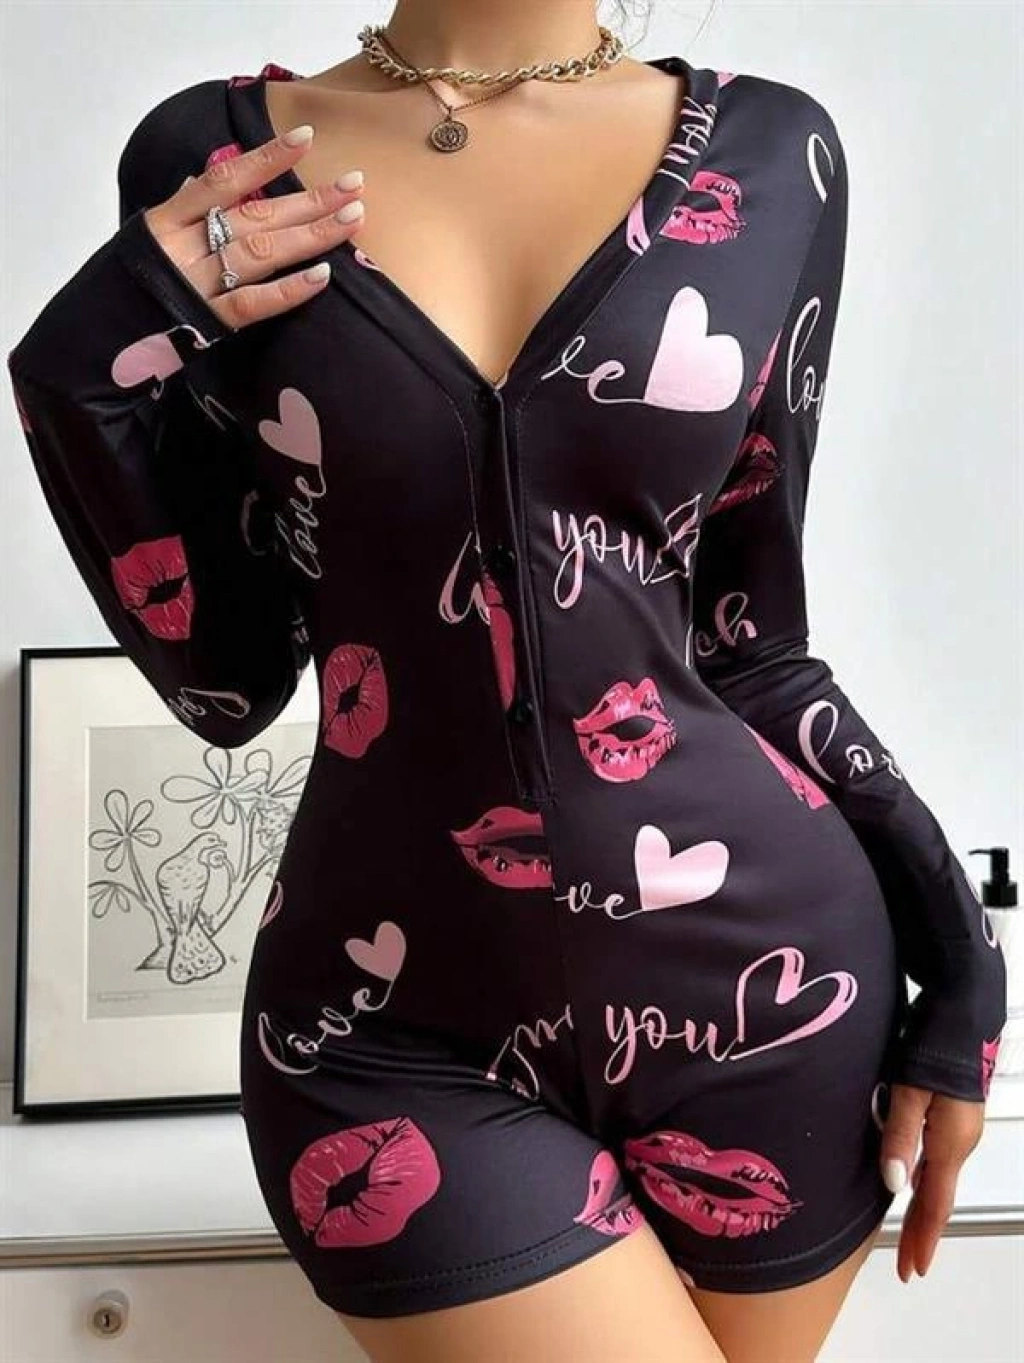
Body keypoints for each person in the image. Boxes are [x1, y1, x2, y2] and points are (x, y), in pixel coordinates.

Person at [6, 2, 1007, 1360]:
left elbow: (752, 642)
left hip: (774, 1002)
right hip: (388, 1030)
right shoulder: (218, 158)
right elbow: (228, 683)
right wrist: (79, 373)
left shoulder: (775, 156)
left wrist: (963, 963)